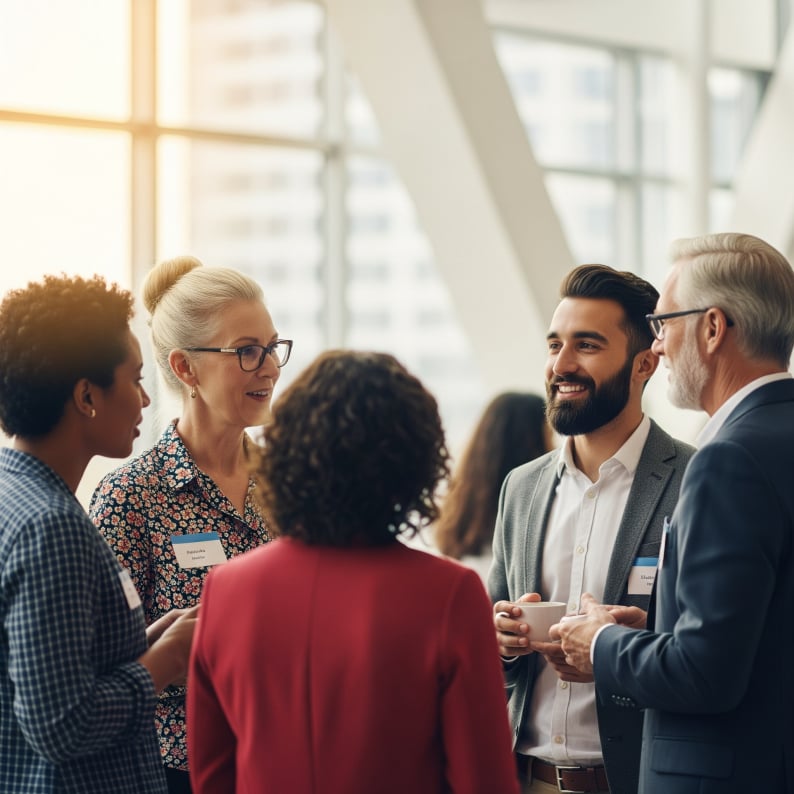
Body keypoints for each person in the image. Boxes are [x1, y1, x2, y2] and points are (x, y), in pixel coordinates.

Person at [187, 350, 521, 794]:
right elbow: (483, 780)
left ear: (287, 455)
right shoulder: (449, 594)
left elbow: (211, 772)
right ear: (413, 462)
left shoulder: (227, 588)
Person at [557, 233, 794, 793]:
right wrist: (658, 629)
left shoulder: (729, 458)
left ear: (712, 329)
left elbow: (706, 675)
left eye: (663, 324)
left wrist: (600, 643)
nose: (658, 347)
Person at [490, 264, 695, 794]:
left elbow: (711, 653)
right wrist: (501, 641)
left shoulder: (695, 479)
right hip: (525, 778)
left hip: (636, 781)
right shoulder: (521, 487)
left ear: (644, 363)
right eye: (554, 344)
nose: (561, 364)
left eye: (586, 345)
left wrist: (616, 651)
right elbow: (488, 647)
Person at [89, 256, 289, 793]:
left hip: (284, 757)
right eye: (247, 351)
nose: (270, 367)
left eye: (273, 347)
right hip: (176, 772)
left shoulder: (292, 484)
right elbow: (100, 669)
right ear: (185, 368)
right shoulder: (131, 497)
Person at [0, 274, 198, 793]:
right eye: (135, 379)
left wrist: (147, 641)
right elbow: (61, 725)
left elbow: (52, 667)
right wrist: (167, 660)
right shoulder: (51, 527)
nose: (146, 401)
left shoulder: (15, 492)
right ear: (87, 396)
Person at [434, 391, 552, 582]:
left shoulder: (459, 506)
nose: (555, 446)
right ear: (533, 443)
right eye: (550, 435)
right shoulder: (534, 509)